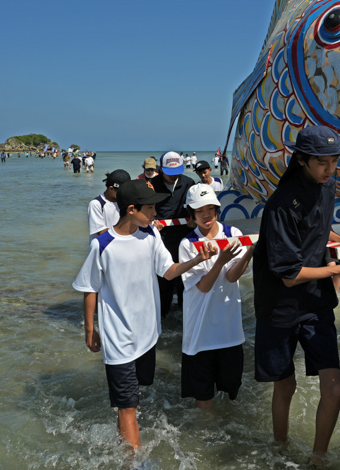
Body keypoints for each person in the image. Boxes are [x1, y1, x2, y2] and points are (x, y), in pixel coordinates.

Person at [72, 179, 216, 451]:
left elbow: (169, 271)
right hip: (118, 339)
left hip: (147, 335)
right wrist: (90, 330)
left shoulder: (151, 236)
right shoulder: (102, 245)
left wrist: (197, 259)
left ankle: (122, 446)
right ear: (130, 209)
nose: (155, 214)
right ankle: (134, 461)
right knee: (129, 406)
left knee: (131, 403)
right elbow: (89, 289)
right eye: (150, 208)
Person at [252, 125, 340, 465]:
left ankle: (318, 457)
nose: (330, 170)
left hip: (316, 302)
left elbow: (319, 223)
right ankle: (280, 446)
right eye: (323, 163)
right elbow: (289, 276)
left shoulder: (327, 185)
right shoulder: (281, 204)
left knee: (334, 387)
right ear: (301, 160)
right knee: (285, 386)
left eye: (335, 161)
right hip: (279, 306)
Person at [178, 184, 254, 409]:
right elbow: (202, 287)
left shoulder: (233, 234)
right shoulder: (188, 244)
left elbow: (232, 277)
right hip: (199, 332)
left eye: (211, 208)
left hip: (229, 329)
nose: (206, 214)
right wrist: (220, 260)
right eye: (200, 210)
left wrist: (249, 252)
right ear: (192, 214)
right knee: (203, 397)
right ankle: (206, 434)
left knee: (230, 392)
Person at [150, 151, 196, 317]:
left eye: (177, 171)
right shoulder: (152, 185)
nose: (174, 176)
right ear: (161, 169)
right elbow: (146, 208)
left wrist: (194, 218)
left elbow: (196, 205)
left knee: (186, 278)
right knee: (164, 279)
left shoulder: (189, 183)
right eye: (170, 173)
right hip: (161, 239)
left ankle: (186, 316)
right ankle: (162, 318)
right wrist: (152, 221)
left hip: (185, 236)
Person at [88, 170, 131, 241]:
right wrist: (124, 236)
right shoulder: (96, 204)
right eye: (121, 192)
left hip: (121, 242)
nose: (124, 194)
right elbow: (101, 232)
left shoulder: (125, 202)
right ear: (111, 188)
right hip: (103, 246)